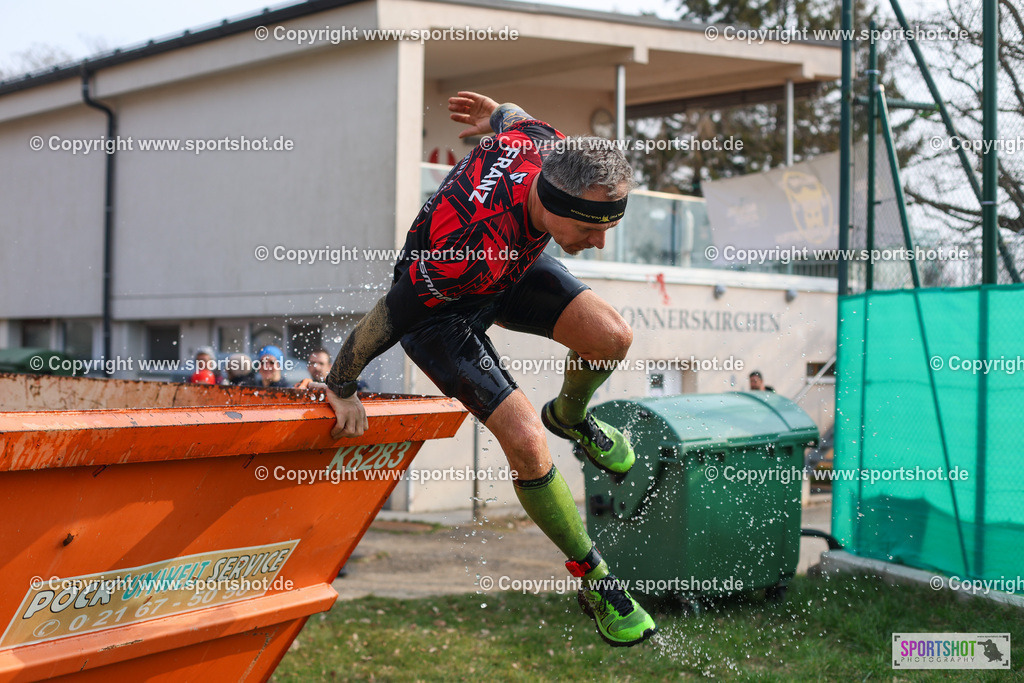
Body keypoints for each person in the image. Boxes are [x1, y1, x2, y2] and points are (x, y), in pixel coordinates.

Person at [318, 91, 656, 647]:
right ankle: (595, 580)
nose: (597, 243)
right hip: (441, 314)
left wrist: (494, 112)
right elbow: (391, 313)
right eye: (591, 228)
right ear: (553, 201)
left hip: (509, 269)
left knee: (612, 336)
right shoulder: (465, 245)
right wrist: (342, 384)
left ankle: (570, 417)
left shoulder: (548, 148)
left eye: (609, 227)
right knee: (525, 442)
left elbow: (516, 120)